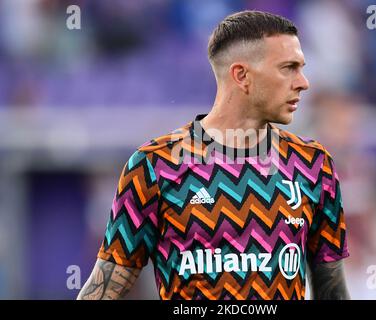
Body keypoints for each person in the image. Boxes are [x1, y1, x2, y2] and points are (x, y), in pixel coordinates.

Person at [77, 10, 350, 300]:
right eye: (288, 68)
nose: (303, 82)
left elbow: (332, 292)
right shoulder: (156, 166)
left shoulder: (313, 164)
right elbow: (103, 290)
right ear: (241, 75)